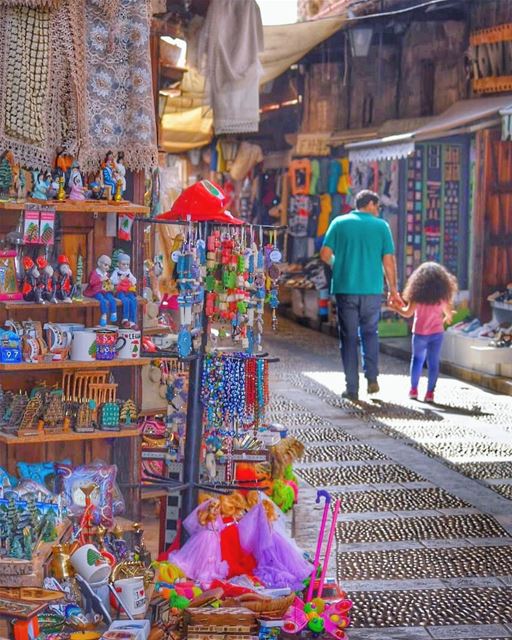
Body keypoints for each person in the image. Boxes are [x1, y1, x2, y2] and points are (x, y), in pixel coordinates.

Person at [320, 190, 401, 401]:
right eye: (378, 206)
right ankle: (372, 378)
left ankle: (352, 388)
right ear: (371, 204)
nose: (378, 210)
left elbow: (325, 255)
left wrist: (339, 264)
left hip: (346, 288)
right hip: (372, 290)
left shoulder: (339, 223)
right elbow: (389, 261)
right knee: (370, 333)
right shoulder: (381, 226)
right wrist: (393, 289)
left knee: (348, 338)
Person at [391, 262, 457, 403]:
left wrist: (396, 308)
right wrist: (446, 318)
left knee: (417, 361)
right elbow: (449, 315)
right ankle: (429, 394)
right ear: (442, 281)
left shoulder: (417, 297)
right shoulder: (442, 298)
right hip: (436, 334)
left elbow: (408, 313)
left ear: (418, 279)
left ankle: (413, 390)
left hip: (419, 334)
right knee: (433, 363)